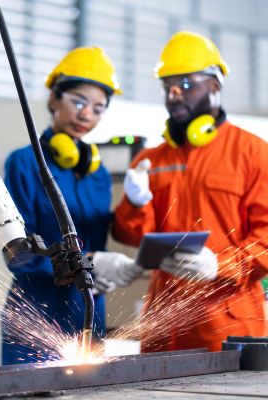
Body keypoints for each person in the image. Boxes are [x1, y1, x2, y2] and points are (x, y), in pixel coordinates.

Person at [113, 31, 268, 352]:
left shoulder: (254, 153)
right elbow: (130, 236)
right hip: (162, 323)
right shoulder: (150, 160)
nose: (173, 95)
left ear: (215, 85)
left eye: (185, 84)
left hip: (226, 325)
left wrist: (221, 265)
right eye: (167, 86)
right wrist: (135, 203)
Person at [2, 47, 143, 365]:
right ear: (54, 98)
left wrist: (104, 269)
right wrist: (88, 263)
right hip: (35, 315)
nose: (86, 115)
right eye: (78, 102)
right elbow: (17, 253)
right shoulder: (24, 163)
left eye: (98, 108)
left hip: (87, 314)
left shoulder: (98, 174)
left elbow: (100, 243)